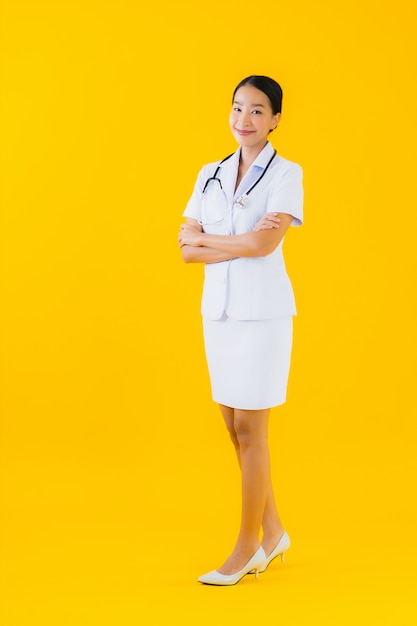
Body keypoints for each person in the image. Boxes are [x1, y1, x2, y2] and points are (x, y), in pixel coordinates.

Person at [178, 75, 303, 586]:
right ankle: (273, 533)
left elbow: (264, 247)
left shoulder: (286, 174)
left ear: (274, 119)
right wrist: (237, 241)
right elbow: (186, 248)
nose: (243, 119)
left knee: (252, 430)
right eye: (237, 108)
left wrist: (215, 243)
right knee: (234, 428)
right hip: (220, 315)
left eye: (256, 111)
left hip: (262, 317)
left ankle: (247, 546)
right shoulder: (210, 173)